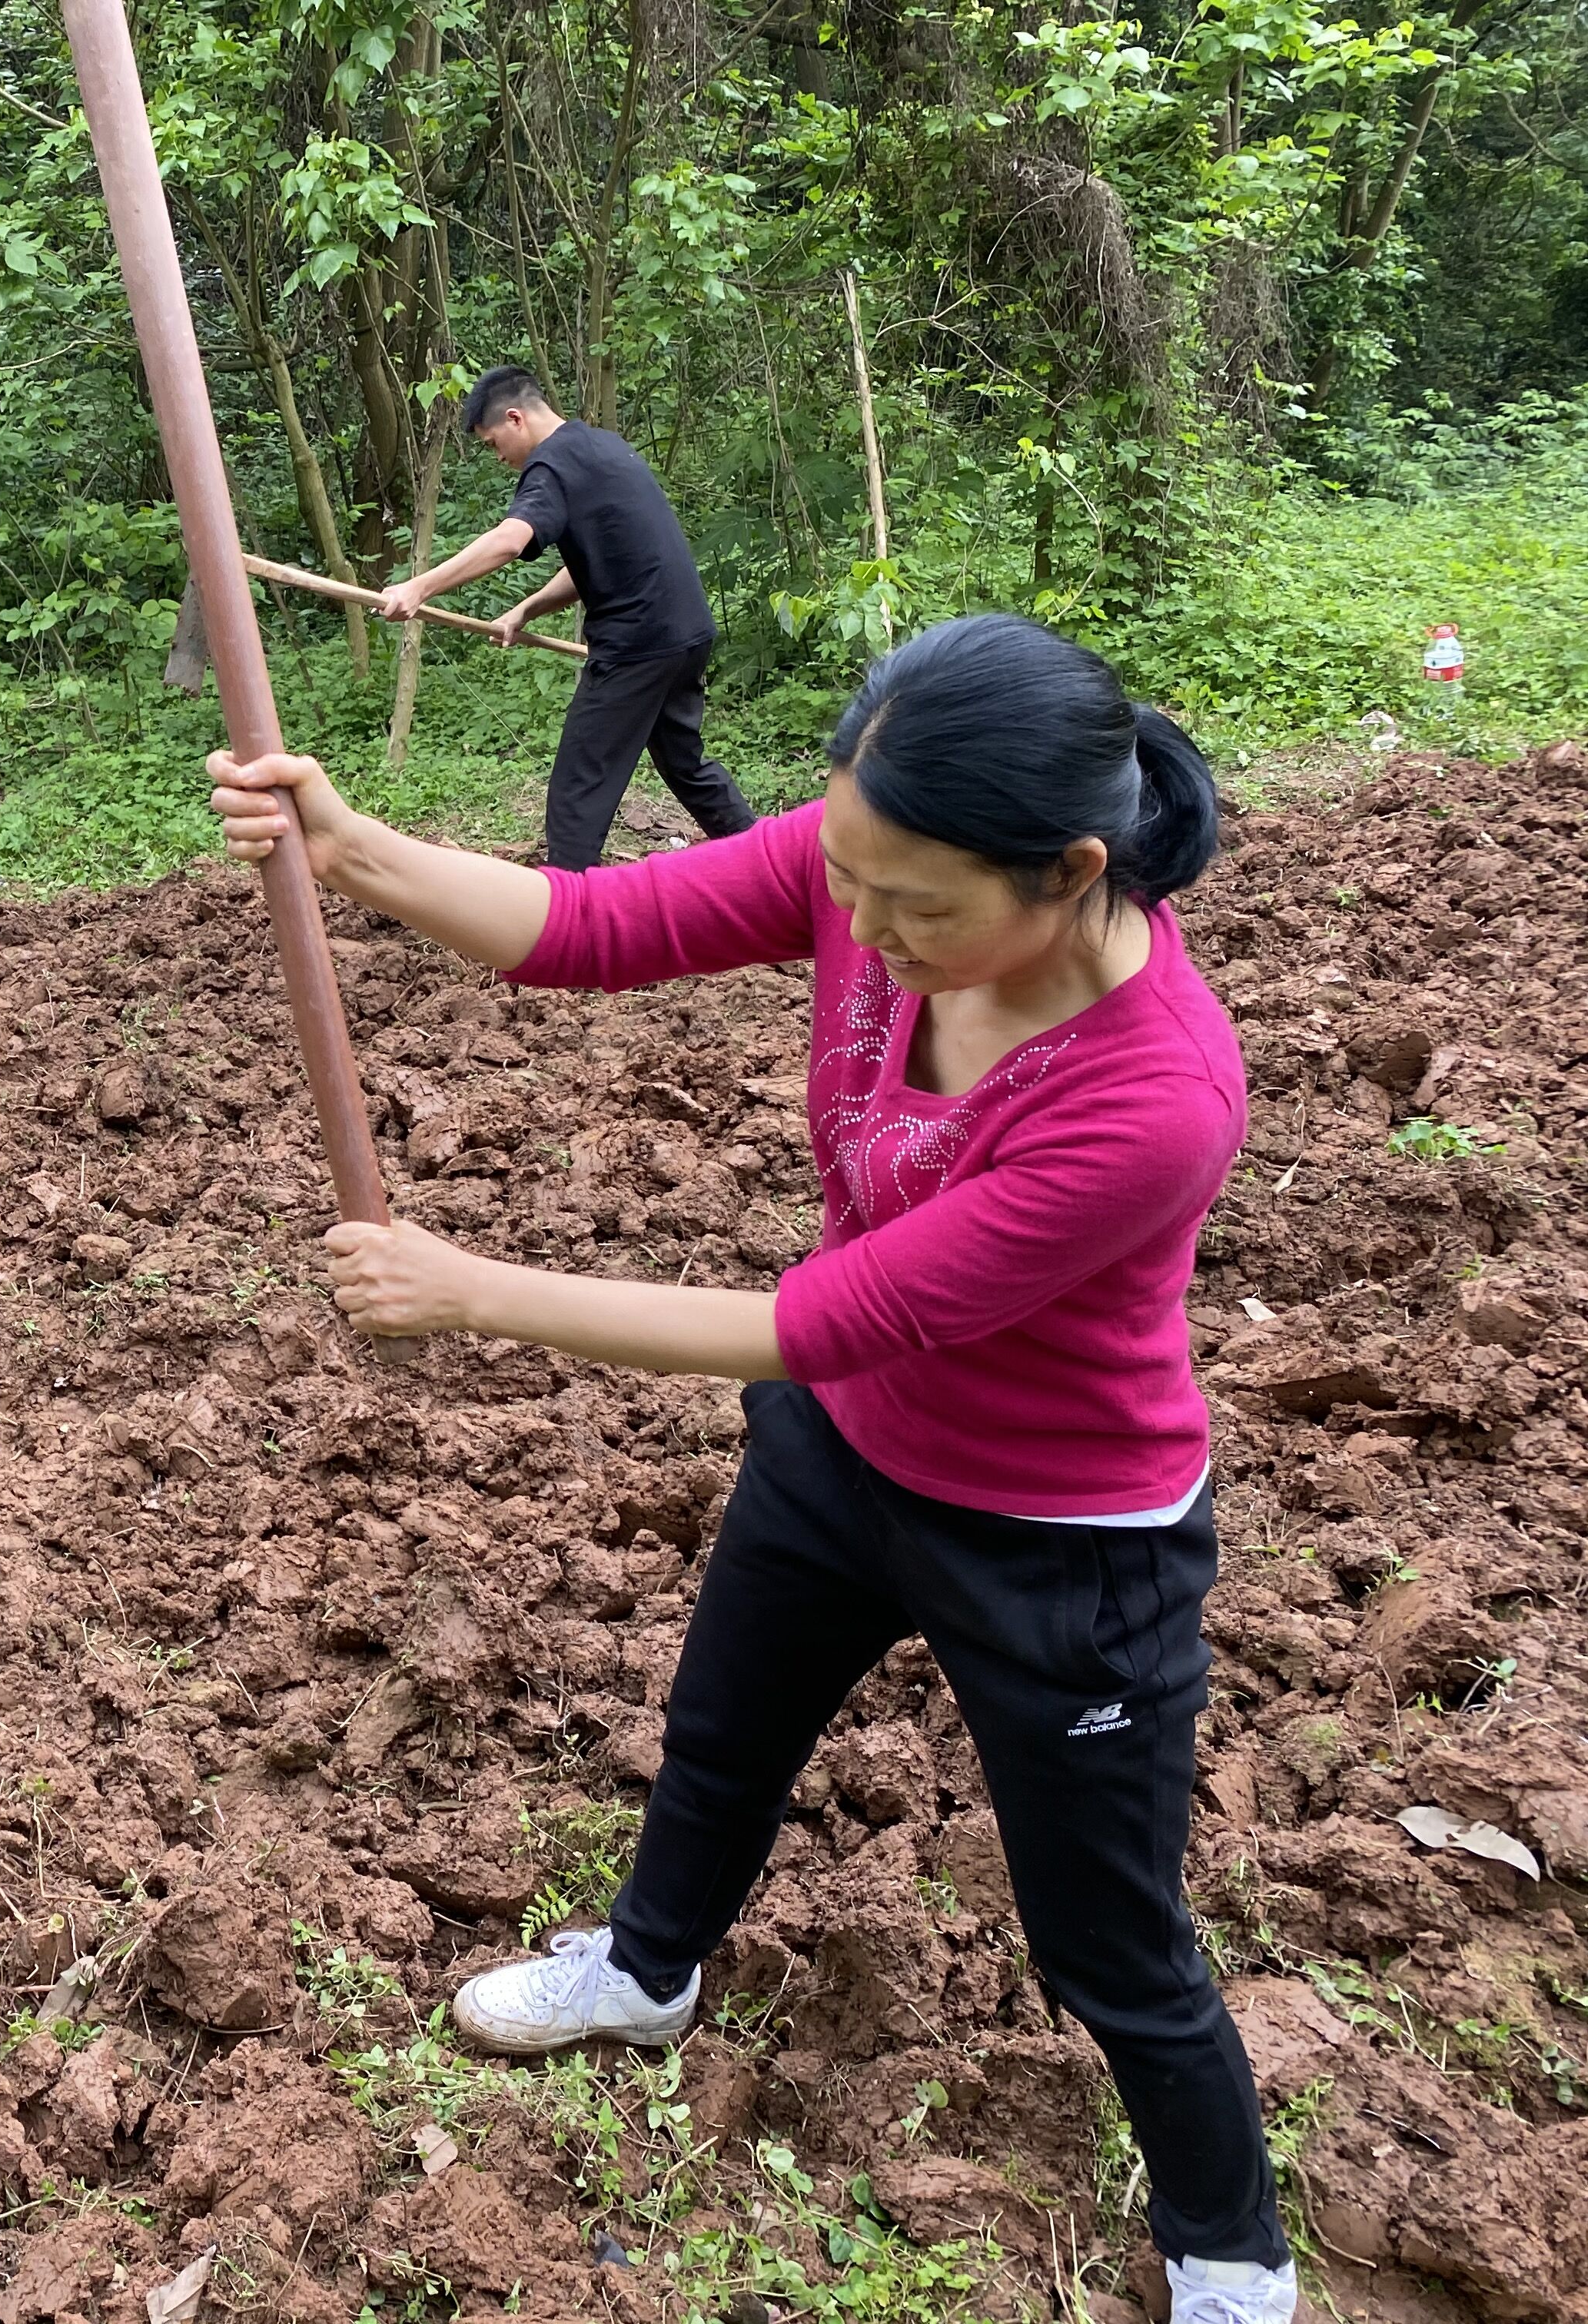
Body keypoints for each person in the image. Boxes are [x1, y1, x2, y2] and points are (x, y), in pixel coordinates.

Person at [208, 613, 1296, 2324]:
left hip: (1056, 1543)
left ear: (1071, 872)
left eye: (908, 906)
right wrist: (351, 850)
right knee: (718, 1742)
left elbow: (833, 1317)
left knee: (1109, 1943)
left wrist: (472, 1289)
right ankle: (646, 1972)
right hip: (840, 1455)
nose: (857, 923)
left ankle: (1232, 2255)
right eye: (842, 875)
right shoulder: (885, 849)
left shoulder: (1152, 1094)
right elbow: (600, 925)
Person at [377, 365, 756, 872]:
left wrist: (418, 587)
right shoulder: (602, 448)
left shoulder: (552, 464)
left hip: (638, 646)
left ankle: (568, 909)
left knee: (578, 791)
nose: (499, 457)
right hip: (684, 634)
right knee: (686, 766)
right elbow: (601, 557)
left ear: (515, 418)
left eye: (493, 444)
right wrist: (528, 608)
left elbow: (509, 540)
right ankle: (775, 867)